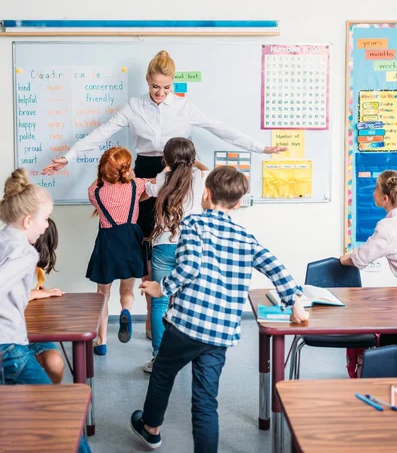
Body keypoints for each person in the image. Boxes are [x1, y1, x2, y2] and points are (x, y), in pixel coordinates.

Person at [42, 50, 286, 338]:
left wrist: (261, 148)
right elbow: (101, 132)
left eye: (166, 87)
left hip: (178, 173)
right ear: (147, 81)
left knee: (176, 241)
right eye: (155, 87)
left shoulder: (185, 108)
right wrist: (68, 158)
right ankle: (151, 315)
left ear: (173, 84)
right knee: (146, 244)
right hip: (145, 171)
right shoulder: (134, 107)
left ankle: (167, 316)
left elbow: (222, 130)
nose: (160, 93)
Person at [131, 166, 309, 452]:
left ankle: (151, 428)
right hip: (220, 332)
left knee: (164, 372)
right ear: (238, 203)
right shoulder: (246, 238)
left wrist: (159, 288)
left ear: (206, 194)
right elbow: (276, 267)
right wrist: (294, 302)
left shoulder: (194, 225)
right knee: (205, 400)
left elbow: (188, 268)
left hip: (187, 324)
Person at [0, 168, 91, 453]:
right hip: (9, 348)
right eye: (44, 219)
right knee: (59, 414)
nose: (45, 227)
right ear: (28, 220)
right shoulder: (26, 253)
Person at [142, 137, 209, 374]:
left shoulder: (162, 178)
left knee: (159, 302)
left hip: (163, 246)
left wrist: (168, 167)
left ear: (166, 159)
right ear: (192, 157)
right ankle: (186, 356)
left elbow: (148, 189)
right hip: (191, 246)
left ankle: (160, 358)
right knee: (188, 301)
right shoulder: (199, 178)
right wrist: (192, 163)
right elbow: (206, 169)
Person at [86, 146, 148, 355]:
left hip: (107, 242)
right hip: (130, 240)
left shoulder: (95, 191)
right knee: (127, 290)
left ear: (103, 169)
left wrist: (103, 175)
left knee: (103, 294)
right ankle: (126, 311)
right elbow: (150, 190)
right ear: (126, 169)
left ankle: (101, 342)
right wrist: (131, 176)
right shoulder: (136, 186)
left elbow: (98, 183)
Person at [340, 169, 397, 347]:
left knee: (389, 335)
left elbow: (361, 258)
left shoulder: (388, 227)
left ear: (385, 198)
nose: (373, 192)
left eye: (375, 188)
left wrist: (343, 260)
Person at [29, 218, 65, 383]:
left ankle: (50, 397)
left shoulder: (37, 269)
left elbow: (33, 289)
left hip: (34, 330)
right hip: (11, 335)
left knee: (55, 363)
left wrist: (41, 291)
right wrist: (35, 293)